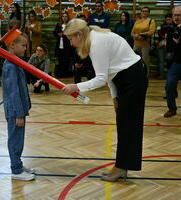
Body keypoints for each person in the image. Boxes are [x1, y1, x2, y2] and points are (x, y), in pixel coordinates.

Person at [62, 19, 148, 182]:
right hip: (125, 79)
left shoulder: (97, 42)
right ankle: (122, 165)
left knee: (129, 125)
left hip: (133, 79)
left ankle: (121, 167)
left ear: (79, 34)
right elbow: (109, 73)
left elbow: (101, 78)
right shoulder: (94, 38)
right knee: (124, 124)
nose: (72, 44)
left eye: (71, 39)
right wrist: (115, 96)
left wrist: (76, 87)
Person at [1, 29, 36, 181]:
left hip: (19, 110)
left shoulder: (15, 63)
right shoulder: (10, 66)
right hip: (15, 111)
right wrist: (19, 113)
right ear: (13, 45)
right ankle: (16, 171)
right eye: (23, 45)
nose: (25, 48)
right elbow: (13, 92)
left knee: (19, 139)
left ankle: (18, 165)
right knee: (15, 140)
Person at [131, 7, 156, 74]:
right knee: (135, 60)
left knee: (145, 61)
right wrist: (135, 36)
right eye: (143, 11)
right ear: (141, 12)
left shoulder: (151, 21)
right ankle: (136, 74)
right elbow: (132, 32)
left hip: (145, 44)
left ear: (148, 13)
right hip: (136, 44)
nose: (144, 12)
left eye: (146, 11)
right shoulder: (137, 21)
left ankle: (146, 75)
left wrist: (140, 34)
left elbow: (151, 31)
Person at [53, 12, 74, 78]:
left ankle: (66, 74)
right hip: (59, 45)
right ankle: (61, 74)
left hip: (67, 45)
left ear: (67, 18)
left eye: (66, 16)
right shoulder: (58, 25)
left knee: (66, 60)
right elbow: (54, 33)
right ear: (61, 18)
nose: (64, 18)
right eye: (63, 16)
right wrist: (58, 34)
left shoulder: (69, 25)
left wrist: (64, 35)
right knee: (60, 60)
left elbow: (71, 34)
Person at [157, 13, 174, 79]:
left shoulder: (174, 26)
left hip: (170, 45)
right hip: (161, 45)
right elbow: (160, 35)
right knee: (161, 61)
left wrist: (166, 41)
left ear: (172, 19)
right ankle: (161, 74)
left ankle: (170, 75)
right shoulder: (162, 26)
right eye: (167, 20)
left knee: (169, 60)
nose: (168, 21)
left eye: (170, 19)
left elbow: (174, 36)